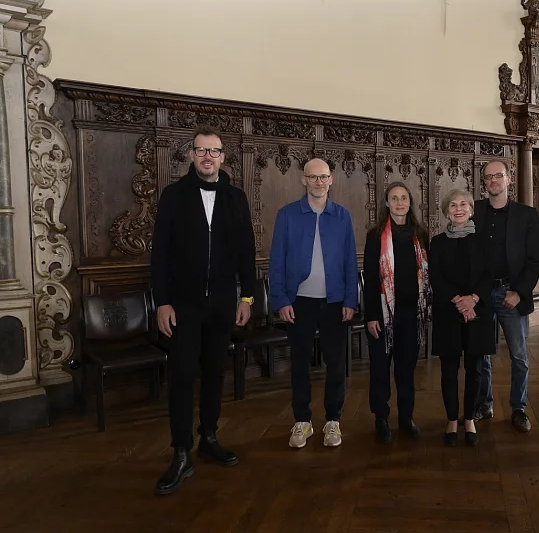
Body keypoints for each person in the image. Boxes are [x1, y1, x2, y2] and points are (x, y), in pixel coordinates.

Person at [151, 126, 256, 495]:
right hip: (182, 305)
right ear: (192, 155)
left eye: (214, 151)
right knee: (181, 377)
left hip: (223, 303)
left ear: (223, 156)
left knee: (215, 372)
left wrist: (247, 300)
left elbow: (247, 253)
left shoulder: (236, 198)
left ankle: (208, 437)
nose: (208, 156)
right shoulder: (174, 196)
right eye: (201, 150)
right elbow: (159, 254)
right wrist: (162, 301)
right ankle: (181, 452)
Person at [269, 158, 358, 449]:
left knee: (335, 364)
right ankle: (302, 421)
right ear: (303, 180)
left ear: (331, 180)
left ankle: (333, 420)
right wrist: (281, 299)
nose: (319, 182)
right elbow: (277, 262)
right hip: (299, 302)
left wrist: (350, 299)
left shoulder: (342, 216)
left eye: (323, 177)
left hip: (334, 302)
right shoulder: (287, 215)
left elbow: (349, 262)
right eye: (313, 177)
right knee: (299, 364)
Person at [473, 160, 539, 433]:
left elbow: (536, 260)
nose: (493, 181)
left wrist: (519, 291)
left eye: (498, 176)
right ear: (483, 182)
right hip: (481, 293)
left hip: (510, 293)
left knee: (519, 355)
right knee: (481, 353)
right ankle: (484, 404)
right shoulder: (475, 210)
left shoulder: (526, 215)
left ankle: (519, 408)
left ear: (509, 179)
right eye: (488, 177)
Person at [363, 181, 431, 443]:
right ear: (387, 204)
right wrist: (370, 316)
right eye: (394, 198)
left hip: (412, 315)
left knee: (406, 370)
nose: (400, 202)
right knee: (380, 370)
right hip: (382, 316)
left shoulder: (421, 235)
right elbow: (370, 279)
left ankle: (406, 417)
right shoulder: (375, 236)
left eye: (404, 197)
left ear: (410, 202)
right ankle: (381, 418)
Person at [428, 188, 495, 446]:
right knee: (448, 370)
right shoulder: (437, 242)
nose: (458, 209)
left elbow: (489, 275)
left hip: (478, 312)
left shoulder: (484, 240)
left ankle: (469, 419)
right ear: (446, 211)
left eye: (464, 204)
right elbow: (436, 277)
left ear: (470, 210)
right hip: (448, 311)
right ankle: (452, 420)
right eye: (453, 205)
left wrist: (473, 300)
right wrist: (459, 301)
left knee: (475, 370)